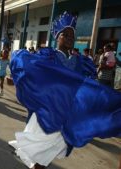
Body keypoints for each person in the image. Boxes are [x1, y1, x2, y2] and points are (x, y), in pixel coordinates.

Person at [8, 11, 120, 169]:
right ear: (57, 37)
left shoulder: (81, 62)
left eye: (71, 35)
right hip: (48, 114)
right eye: (64, 34)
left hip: (68, 115)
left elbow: (86, 86)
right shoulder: (48, 57)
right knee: (38, 156)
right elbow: (31, 68)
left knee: (46, 156)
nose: (69, 38)